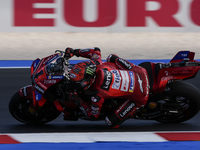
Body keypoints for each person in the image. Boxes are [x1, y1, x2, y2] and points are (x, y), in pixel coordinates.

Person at [65, 47, 149, 127]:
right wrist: (75, 52)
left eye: (78, 83)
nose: (76, 85)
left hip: (141, 94)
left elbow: (93, 115)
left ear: (88, 80)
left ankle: (134, 111)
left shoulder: (97, 95)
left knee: (110, 121)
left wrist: (76, 99)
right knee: (111, 57)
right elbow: (95, 51)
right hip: (139, 71)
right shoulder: (97, 63)